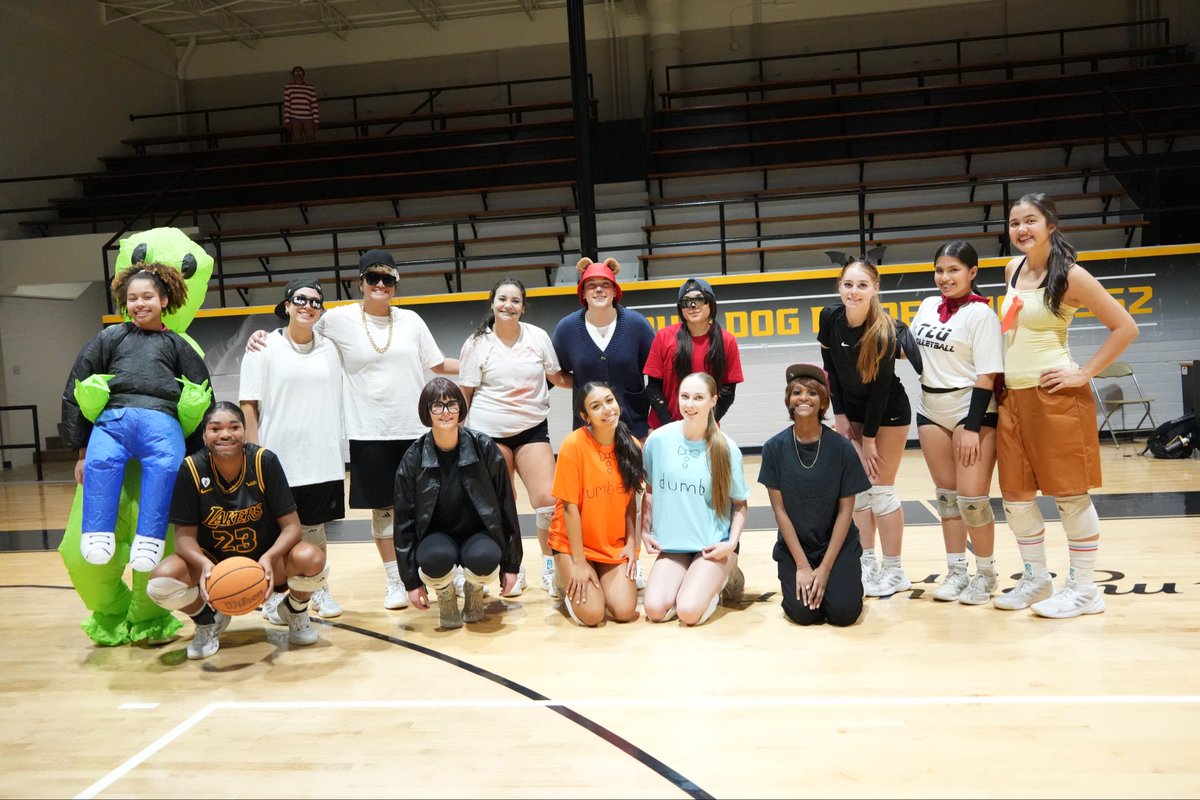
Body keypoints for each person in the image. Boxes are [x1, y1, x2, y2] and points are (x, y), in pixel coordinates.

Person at [248, 250, 458, 610]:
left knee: (428, 506)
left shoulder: (411, 321)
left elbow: (437, 364)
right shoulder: (338, 320)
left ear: (395, 285)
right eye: (372, 278)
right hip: (367, 431)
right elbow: (298, 324)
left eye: (387, 279)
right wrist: (263, 334)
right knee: (384, 510)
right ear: (359, 282)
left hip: (413, 429)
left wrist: (486, 363)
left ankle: (433, 574)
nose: (380, 284)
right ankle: (395, 578)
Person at [995, 193, 1138, 618]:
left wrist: (1084, 372)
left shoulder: (1072, 275)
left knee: (1070, 498)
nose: (1022, 229)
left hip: (1054, 398)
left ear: (1050, 226)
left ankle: (1085, 588)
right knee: (1016, 498)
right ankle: (1038, 579)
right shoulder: (1011, 268)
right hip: (1012, 398)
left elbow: (1124, 327)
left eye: (1031, 221)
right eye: (1015, 222)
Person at [147, 403, 328, 659]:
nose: (225, 434)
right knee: (161, 582)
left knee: (313, 559)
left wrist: (269, 557)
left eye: (234, 427)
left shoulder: (264, 461)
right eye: (215, 428)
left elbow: (292, 527)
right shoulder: (191, 469)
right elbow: (183, 538)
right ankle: (206, 621)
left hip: (265, 560)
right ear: (204, 435)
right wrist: (204, 565)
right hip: (213, 564)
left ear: (244, 431)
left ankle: (296, 611)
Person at [63, 261, 212, 574]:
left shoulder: (178, 345)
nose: (139, 304)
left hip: (162, 423)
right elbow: (77, 388)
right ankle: (96, 533)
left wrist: (200, 456)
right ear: (123, 301)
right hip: (111, 423)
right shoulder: (108, 338)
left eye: (147, 297)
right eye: (132, 298)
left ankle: (150, 540)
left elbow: (202, 393)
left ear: (164, 300)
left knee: (165, 467)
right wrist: (81, 451)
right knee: (100, 462)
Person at [240, 278, 345, 621]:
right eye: (300, 299)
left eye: (316, 302)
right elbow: (249, 404)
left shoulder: (332, 348)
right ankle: (272, 593)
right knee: (275, 532)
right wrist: (254, 456)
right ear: (286, 305)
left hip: (321, 456)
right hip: (277, 458)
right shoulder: (263, 347)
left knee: (315, 531)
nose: (307, 306)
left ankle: (319, 588)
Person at [458, 277, 571, 597]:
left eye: (515, 301)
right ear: (492, 303)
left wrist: (594, 381)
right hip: (487, 432)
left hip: (532, 428)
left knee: (548, 500)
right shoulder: (477, 343)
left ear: (523, 306)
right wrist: (457, 438)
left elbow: (557, 377)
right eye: (503, 299)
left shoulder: (537, 337)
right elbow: (465, 393)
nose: (509, 305)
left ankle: (551, 567)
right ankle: (512, 568)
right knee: (500, 503)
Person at [910, 241, 1004, 605]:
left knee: (972, 501)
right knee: (947, 499)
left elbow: (986, 376)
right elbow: (915, 351)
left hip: (971, 408)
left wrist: (972, 426)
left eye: (953, 270)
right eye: (939, 270)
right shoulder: (928, 305)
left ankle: (986, 574)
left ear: (972, 273)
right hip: (930, 406)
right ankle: (955, 571)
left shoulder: (982, 315)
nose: (944, 277)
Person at [818, 257, 917, 597]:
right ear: (839, 287)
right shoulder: (829, 317)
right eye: (848, 284)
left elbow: (880, 389)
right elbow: (830, 368)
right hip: (853, 413)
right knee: (859, 492)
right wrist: (841, 416)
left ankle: (895, 571)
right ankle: (866, 563)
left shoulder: (885, 329)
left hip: (886, 414)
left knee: (880, 490)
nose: (854, 291)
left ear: (876, 288)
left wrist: (869, 439)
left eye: (862, 285)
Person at [394, 378, 523, 629]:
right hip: (436, 536)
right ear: (426, 412)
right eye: (437, 406)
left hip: (478, 534)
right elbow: (403, 523)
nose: (446, 412)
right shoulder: (413, 458)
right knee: (434, 558)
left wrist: (511, 566)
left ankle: (473, 590)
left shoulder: (484, 447)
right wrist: (411, 582)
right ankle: (445, 595)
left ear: (460, 409)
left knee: (486, 557)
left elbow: (506, 508)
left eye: (452, 405)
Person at [758, 364, 870, 626]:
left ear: (822, 401)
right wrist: (802, 566)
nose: (804, 397)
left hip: (837, 546)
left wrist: (826, 567)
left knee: (843, 614)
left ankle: (846, 582)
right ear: (789, 400)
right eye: (797, 392)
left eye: (812, 392)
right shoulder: (774, 448)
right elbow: (780, 511)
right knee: (803, 614)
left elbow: (846, 512)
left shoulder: (841, 448)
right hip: (797, 547)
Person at [640, 372, 748, 626]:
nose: (690, 405)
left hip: (712, 547)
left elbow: (740, 504)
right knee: (654, 610)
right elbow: (650, 490)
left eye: (698, 398)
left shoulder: (726, 449)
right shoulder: (658, 440)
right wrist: (645, 530)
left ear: (713, 401)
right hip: (674, 546)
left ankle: (725, 574)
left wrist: (731, 544)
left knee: (688, 612)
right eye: (685, 396)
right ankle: (692, 578)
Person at [547, 382, 643, 626]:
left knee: (623, 612)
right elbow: (569, 509)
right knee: (592, 615)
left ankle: (600, 573)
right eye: (596, 406)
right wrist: (579, 564)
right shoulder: (573, 445)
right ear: (584, 416)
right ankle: (563, 576)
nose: (607, 409)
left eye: (610, 401)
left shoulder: (632, 445)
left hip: (611, 544)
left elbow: (631, 503)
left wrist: (631, 544)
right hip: (572, 544)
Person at [551, 257, 655, 438]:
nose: (598, 289)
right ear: (583, 293)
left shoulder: (637, 325)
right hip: (588, 431)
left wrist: (655, 423)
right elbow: (555, 374)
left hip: (633, 429)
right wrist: (582, 384)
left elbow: (656, 374)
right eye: (591, 285)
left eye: (605, 284)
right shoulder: (566, 329)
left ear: (615, 291)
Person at [644, 278, 743, 430]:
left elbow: (728, 393)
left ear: (710, 303)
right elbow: (653, 387)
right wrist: (670, 427)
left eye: (699, 300)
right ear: (680, 308)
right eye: (686, 302)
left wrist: (705, 424)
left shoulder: (726, 341)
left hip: (706, 429)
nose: (692, 306)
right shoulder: (664, 337)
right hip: (664, 427)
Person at [283, 66, 319, 143]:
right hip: (294, 117)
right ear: (293, 75)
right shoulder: (289, 87)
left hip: (308, 117)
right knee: (297, 139)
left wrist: (316, 120)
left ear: (303, 74)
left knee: (311, 138)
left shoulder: (310, 87)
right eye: (296, 72)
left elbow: (314, 105)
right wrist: (287, 120)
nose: (298, 74)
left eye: (300, 72)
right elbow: (287, 105)